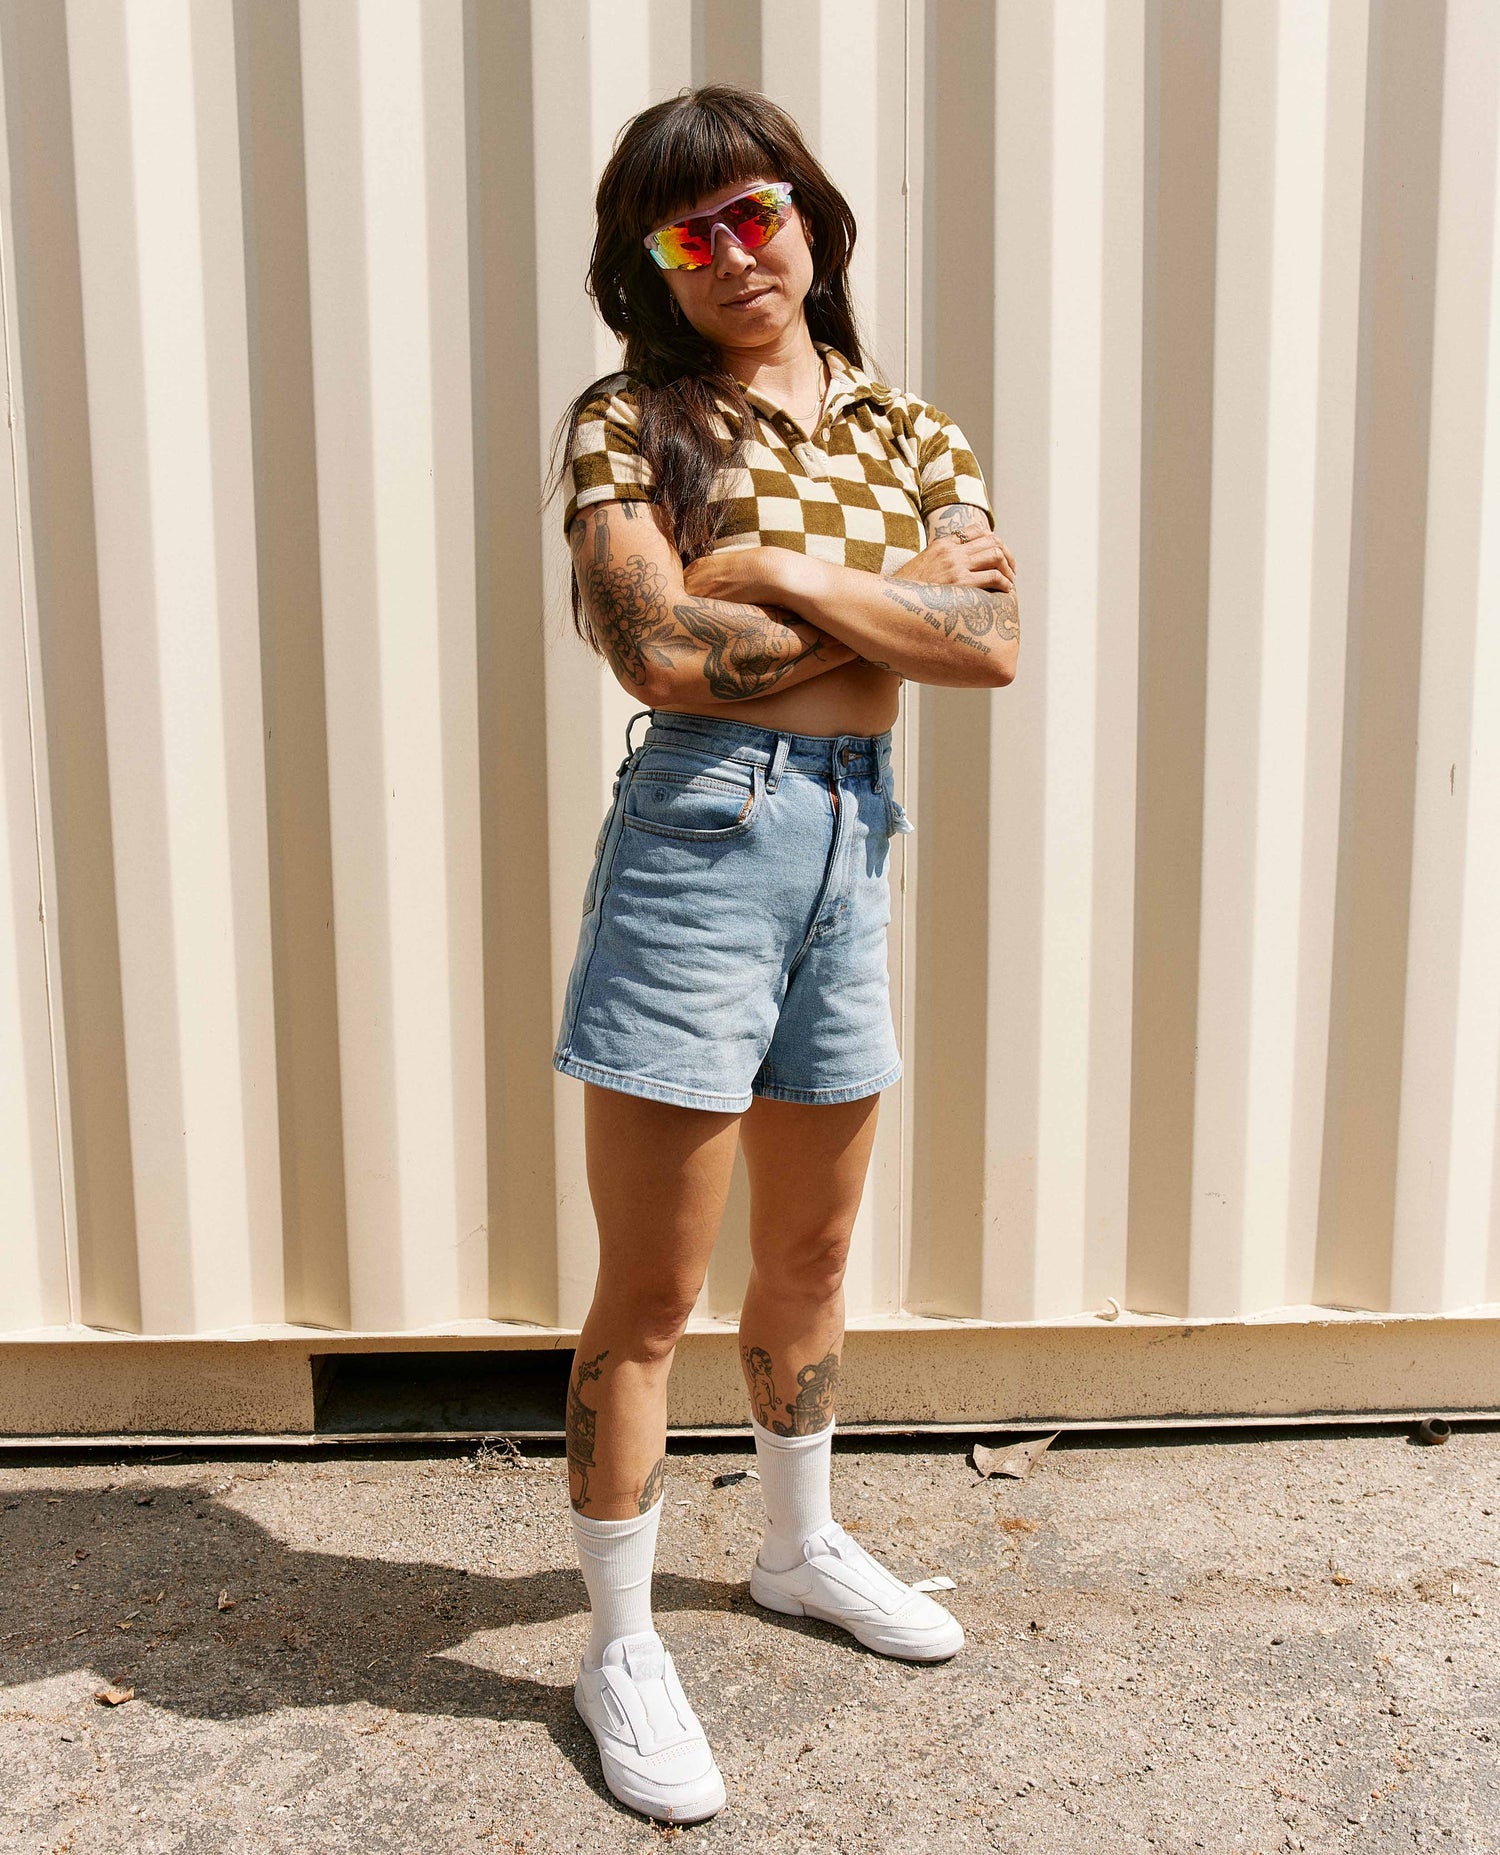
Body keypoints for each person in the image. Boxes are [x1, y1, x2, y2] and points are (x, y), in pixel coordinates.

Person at [542, 83, 1019, 1825]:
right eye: (691, 234)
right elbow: (659, 657)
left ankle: (798, 1548)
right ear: (650, 268)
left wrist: (764, 571)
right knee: (654, 1288)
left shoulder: (909, 425)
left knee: (810, 1254)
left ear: (810, 220)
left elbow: (986, 650)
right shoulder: (626, 421)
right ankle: (617, 1643)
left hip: (854, 839)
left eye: (758, 214)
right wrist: (880, 601)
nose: (736, 254)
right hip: (701, 839)